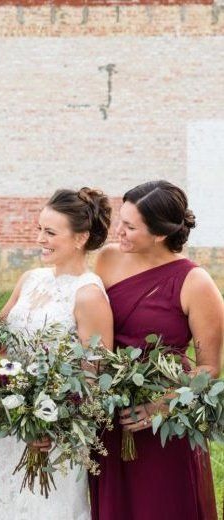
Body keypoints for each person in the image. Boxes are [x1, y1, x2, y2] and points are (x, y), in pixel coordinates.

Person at [90, 180, 222, 520]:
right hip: (108, 418)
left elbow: (209, 369)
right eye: (121, 219)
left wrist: (159, 407)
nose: (118, 230)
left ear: (160, 234)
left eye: (130, 226)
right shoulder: (106, 260)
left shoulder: (195, 282)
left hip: (163, 428)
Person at [0, 187, 113, 520]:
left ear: (80, 238)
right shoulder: (30, 279)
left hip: (55, 437)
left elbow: (96, 376)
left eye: (50, 232)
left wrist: (52, 424)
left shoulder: (88, 294)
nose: (39, 238)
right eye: (39, 229)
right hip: (14, 424)